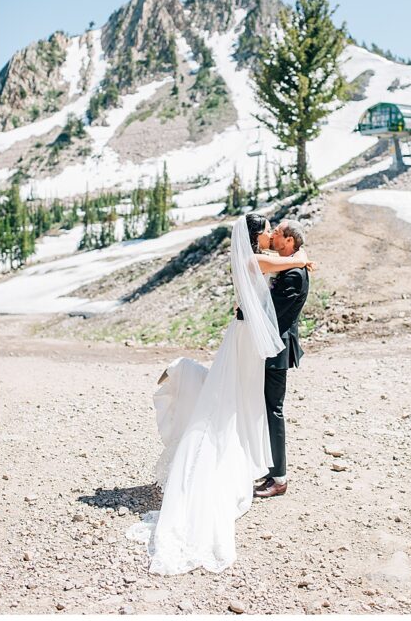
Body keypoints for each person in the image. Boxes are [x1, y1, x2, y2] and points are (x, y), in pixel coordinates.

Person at [127, 213, 313, 574]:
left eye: (276, 231)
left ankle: (186, 376)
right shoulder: (256, 259)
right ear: (256, 236)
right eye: (267, 230)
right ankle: (186, 374)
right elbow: (277, 270)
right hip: (248, 342)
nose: (272, 234)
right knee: (234, 400)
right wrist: (302, 258)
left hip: (250, 342)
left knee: (238, 400)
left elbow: (273, 294)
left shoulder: (268, 263)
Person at [253, 220, 311, 499]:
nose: (273, 236)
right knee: (264, 409)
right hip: (270, 348)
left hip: (276, 351)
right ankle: (269, 467)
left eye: (277, 234)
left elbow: (271, 313)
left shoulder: (294, 275)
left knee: (274, 411)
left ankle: (280, 478)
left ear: (289, 241)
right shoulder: (290, 265)